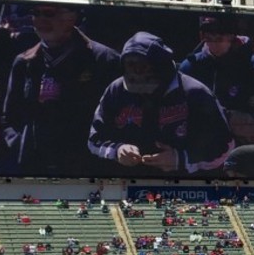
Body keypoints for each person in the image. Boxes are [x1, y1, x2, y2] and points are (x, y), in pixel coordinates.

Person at [0, 1, 121, 175]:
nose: (41, 20)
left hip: (88, 169)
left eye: (49, 13)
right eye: (36, 13)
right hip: (35, 168)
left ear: (72, 17)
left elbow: (121, 115)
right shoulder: (24, 62)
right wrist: (20, 144)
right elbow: (9, 117)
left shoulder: (104, 59)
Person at [88, 31, 233, 176]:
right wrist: (118, 150)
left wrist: (180, 159)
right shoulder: (116, 90)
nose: (137, 75)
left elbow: (225, 146)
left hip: (183, 183)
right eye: (131, 65)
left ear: (161, 68)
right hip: (130, 180)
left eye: (143, 68)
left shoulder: (195, 93)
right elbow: (95, 138)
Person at [179, 13, 254, 147]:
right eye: (209, 38)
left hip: (240, 153)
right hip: (198, 152)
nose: (213, 45)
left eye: (219, 39)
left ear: (232, 37)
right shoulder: (190, 67)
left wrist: (223, 116)